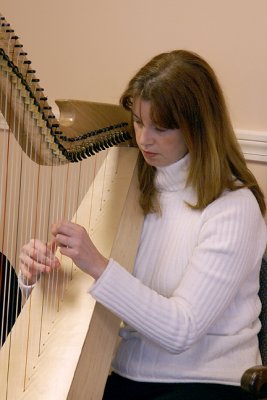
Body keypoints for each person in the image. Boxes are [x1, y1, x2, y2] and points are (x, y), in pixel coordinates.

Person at [19, 50, 267, 400]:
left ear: (198, 129)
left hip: (208, 384)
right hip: (126, 376)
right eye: (137, 121)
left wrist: (98, 265)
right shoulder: (133, 187)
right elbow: (96, 300)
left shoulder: (234, 208)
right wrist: (41, 277)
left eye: (160, 128)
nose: (143, 138)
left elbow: (181, 330)